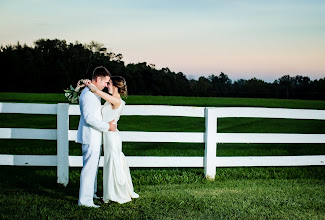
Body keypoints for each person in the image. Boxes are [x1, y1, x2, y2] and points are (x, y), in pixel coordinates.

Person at [85, 76, 139, 204]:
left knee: (112, 162)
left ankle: (115, 193)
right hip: (108, 135)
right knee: (110, 162)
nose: (107, 85)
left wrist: (88, 84)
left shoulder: (116, 101)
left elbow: (97, 92)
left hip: (112, 137)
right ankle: (111, 191)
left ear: (115, 86)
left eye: (109, 84)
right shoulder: (111, 100)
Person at [76, 66, 117, 208]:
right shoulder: (88, 95)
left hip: (94, 136)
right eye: (105, 82)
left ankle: (91, 194)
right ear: (98, 79)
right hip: (90, 135)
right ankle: (85, 201)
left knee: (93, 168)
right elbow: (88, 118)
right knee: (89, 168)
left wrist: (87, 84)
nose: (106, 85)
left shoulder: (93, 92)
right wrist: (107, 127)